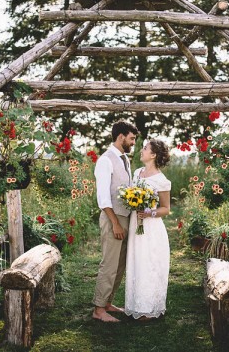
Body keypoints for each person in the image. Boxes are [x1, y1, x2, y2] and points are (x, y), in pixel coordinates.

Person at [92, 120, 138, 323]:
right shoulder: (105, 160)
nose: (133, 142)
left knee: (120, 265)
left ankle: (108, 302)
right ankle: (99, 309)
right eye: (131, 138)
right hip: (113, 218)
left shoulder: (124, 159)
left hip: (125, 217)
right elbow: (103, 198)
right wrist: (115, 223)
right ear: (121, 137)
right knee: (109, 264)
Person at [125, 139, 171, 320]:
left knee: (149, 264)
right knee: (136, 262)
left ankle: (149, 307)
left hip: (151, 228)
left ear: (153, 155)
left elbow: (166, 209)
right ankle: (135, 304)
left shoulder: (162, 180)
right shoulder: (137, 173)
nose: (141, 151)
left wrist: (149, 211)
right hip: (135, 225)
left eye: (145, 148)